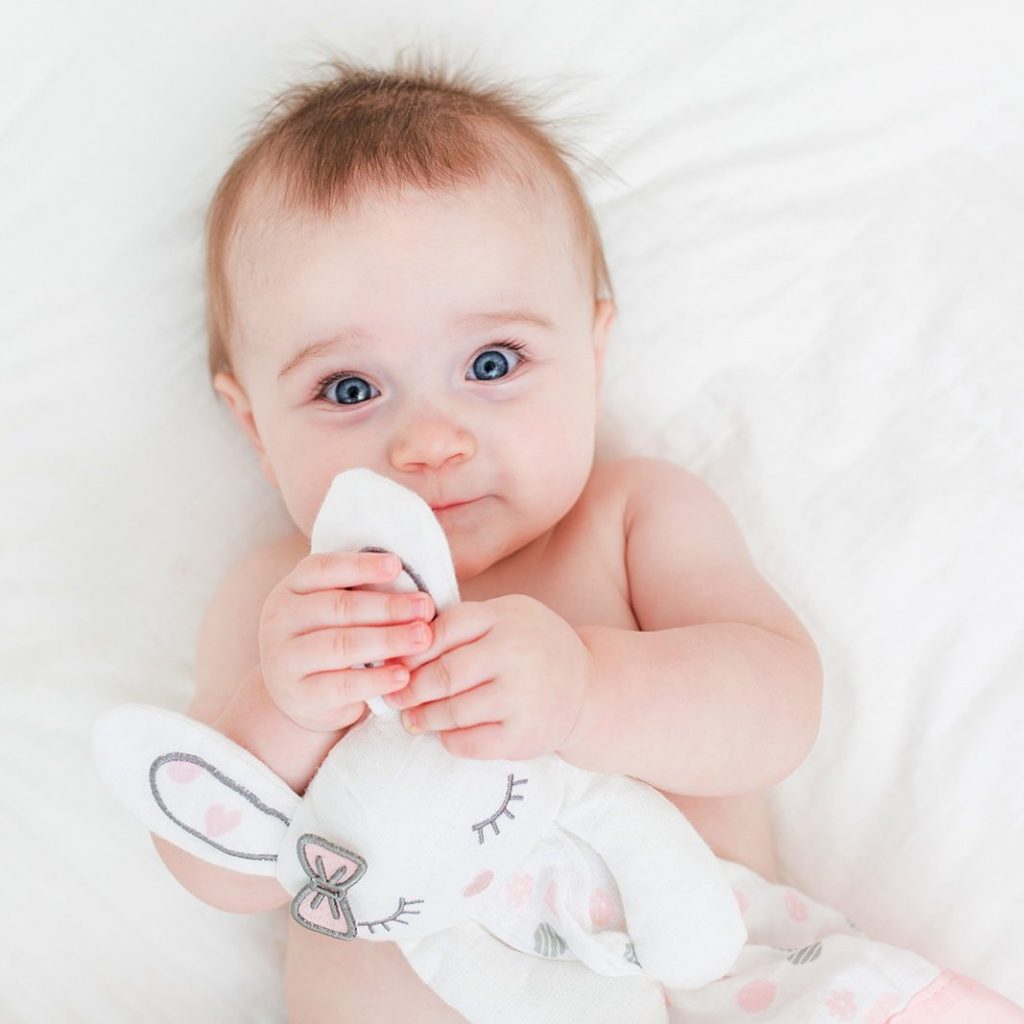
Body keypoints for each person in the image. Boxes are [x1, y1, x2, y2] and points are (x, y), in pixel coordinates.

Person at [151, 50, 1023, 1023]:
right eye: (348, 389)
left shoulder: (631, 521)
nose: (430, 440)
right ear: (253, 428)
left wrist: (589, 689)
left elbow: (777, 713)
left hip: (706, 988)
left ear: (593, 352)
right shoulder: (286, 600)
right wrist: (288, 712)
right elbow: (216, 867)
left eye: (492, 361)